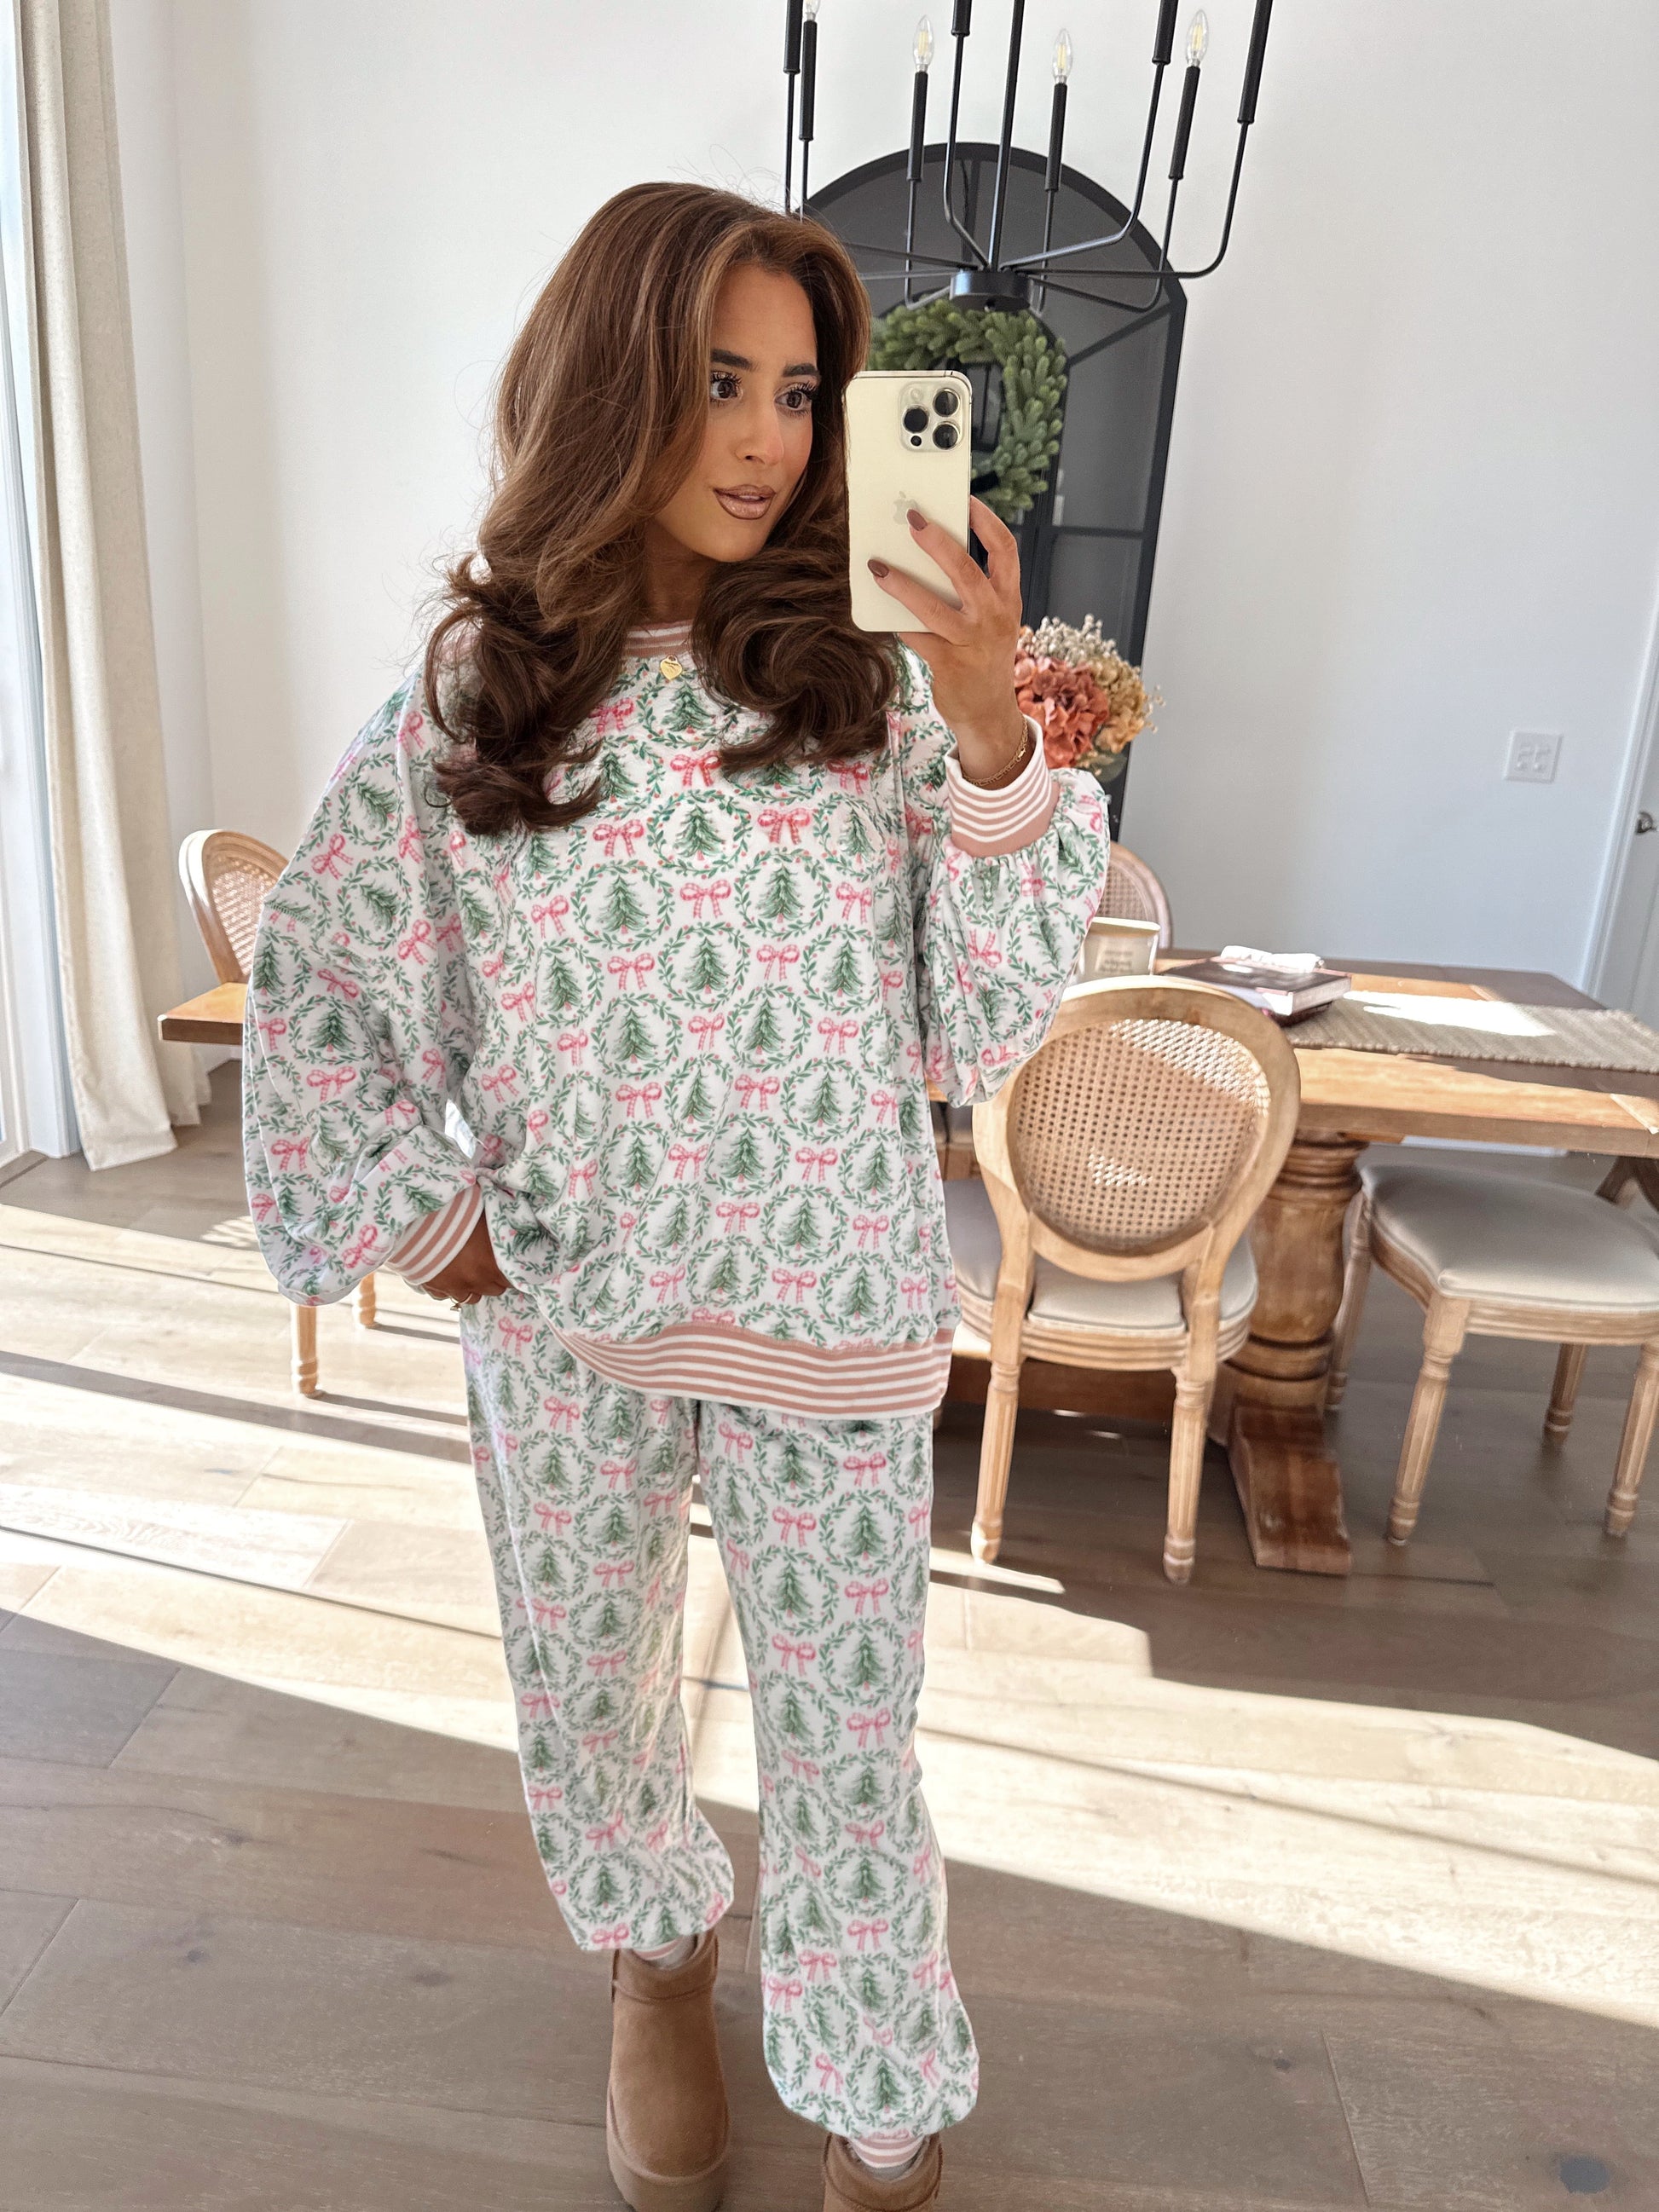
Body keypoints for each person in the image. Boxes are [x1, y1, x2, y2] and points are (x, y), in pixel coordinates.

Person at [243, 181, 1108, 2212]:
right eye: (721, 381)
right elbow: (320, 993)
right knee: (587, 1686)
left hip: (834, 1318)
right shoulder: (479, 700)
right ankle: (654, 1951)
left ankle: (874, 2075)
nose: (768, 440)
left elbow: (982, 1019)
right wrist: (442, 1226)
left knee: (848, 1736)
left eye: (802, 392)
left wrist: (990, 719)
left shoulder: (869, 681)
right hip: (572, 1324)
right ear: (607, 377)